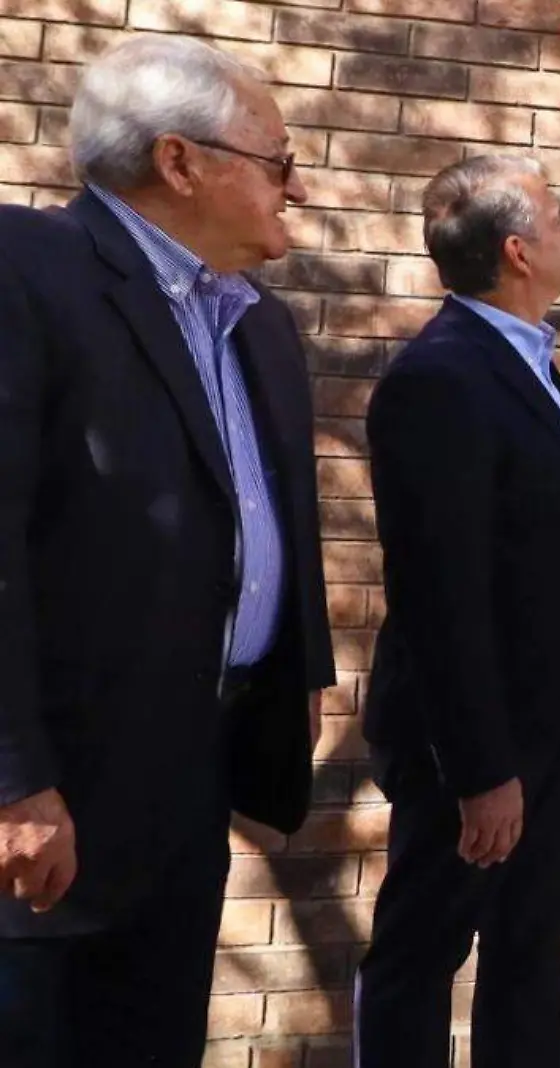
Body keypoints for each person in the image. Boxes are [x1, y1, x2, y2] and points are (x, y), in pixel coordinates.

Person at [0, 35, 335, 1066]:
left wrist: (299, 677)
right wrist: (13, 782)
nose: (296, 182)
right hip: (52, 806)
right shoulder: (27, 270)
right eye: (277, 157)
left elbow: (267, 522)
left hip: (187, 784)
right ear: (182, 162)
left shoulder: (260, 325)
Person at [352, 155, 560, 1068]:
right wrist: (481, 769)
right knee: (424, 950)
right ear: (518, 251)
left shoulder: (524, 357)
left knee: (529, 945)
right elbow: (438, 588)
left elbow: (520, 502)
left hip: (551, 720)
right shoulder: (439, 378)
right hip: (477, 742)